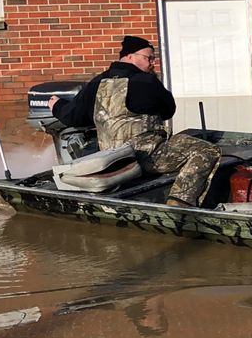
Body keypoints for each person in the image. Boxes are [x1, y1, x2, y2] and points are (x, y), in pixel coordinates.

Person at [48, 35, 220, 208]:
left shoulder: (96, 83)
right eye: (149, 58)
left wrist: (57, 105)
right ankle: (180, 200)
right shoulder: (146, 81)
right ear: (130, 56)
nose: (152, 63)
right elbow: (169, 110)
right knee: (207, 150)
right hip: (147, 158)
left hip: (113, 161)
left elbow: (74, 118)